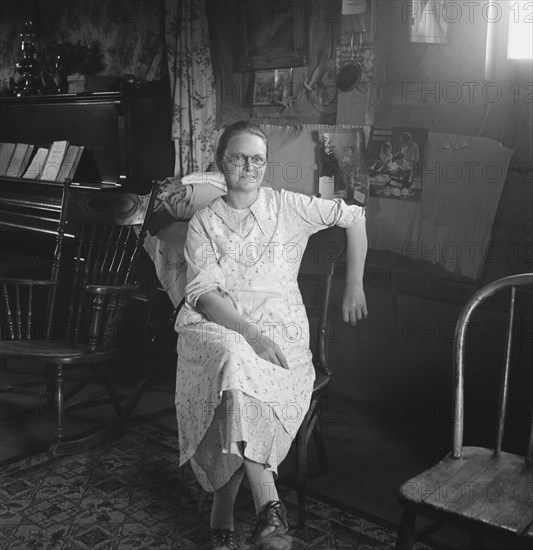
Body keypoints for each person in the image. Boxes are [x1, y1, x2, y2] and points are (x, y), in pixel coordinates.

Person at [174, 121, 368, 550]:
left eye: (257, 158)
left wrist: (354, 283)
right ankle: (270, 512)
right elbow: (203, 294)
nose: (248, 166)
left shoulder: (287, 206)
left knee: (236, 385)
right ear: (220, 161)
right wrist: (249, 334)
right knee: (233, 358)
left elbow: (354, 216)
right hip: (219, 327)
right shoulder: (204, 222)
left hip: (282, 332)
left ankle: (221, 515)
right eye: (238, 157)